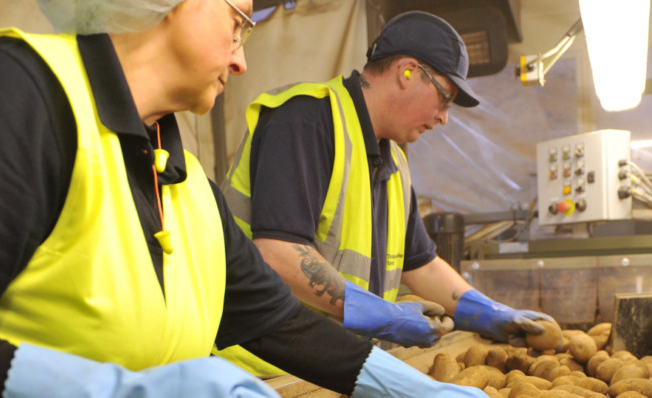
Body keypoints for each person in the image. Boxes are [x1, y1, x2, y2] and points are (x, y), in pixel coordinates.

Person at [0, 1, 490, 397]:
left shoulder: (189, 187)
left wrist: (416, 390)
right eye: (238, 23)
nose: (241, 60)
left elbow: (279, 322)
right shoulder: (18, 94)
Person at [222, 10, 560, 365]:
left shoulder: (394, 163)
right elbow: (277, 254)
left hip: (329, 369)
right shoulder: (306, 119)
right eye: (445, 98)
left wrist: (492, 313)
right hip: (262, 370)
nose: (445, 117)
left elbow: (422, 265)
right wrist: (382, 314)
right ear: (407, 72)